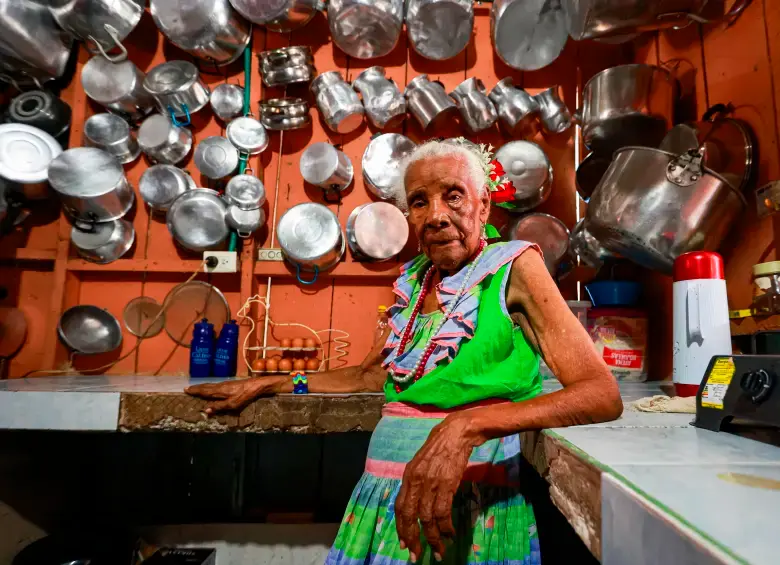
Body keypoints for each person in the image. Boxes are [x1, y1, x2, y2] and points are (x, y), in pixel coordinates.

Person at [186, 139, 623, 564]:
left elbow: (600, 393)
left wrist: (466, 426)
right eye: (419, 202)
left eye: (454, 196)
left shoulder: (515, 265)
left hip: (469, 500)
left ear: (483, 205)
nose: (435, 216)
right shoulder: (415, 279)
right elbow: (371, 376)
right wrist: (273, 383)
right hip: (380, 497)